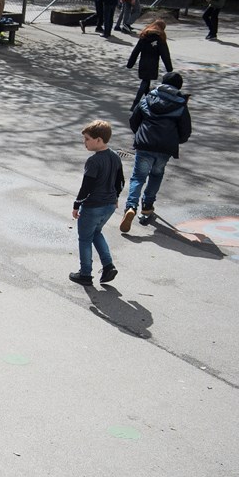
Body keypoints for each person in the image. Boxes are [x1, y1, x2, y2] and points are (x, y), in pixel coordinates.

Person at [120, 72, 191, 232]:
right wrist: (175, 140)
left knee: (138, 177)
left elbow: (134, 120)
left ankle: (130, 207)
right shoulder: (180, 104)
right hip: (165, 148)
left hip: (145, 144)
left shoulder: (148, 98)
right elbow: (185, 130)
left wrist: (140, 134)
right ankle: (147, 207)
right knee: (156, 175)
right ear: (178, 87)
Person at [69, 120, 124, 286]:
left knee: (85, 239)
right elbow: (120, 182)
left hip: (93, 206)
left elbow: (87, 186)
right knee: (96, 233)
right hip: (109, 205)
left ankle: (85, 273)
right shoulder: (115, 156)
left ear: (99, 140)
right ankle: (108, 266)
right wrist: (115, 198)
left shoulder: (93, 161)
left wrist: (77, 204)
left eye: (87, 139)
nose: (84, 142)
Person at [126, 19, 172, 110]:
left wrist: (130, 64)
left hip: (143, 63)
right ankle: (136, 102)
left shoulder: (144, 36)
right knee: (145, 82)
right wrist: (169, 68)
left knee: (146, 82)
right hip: (153, 64)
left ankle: (148, 101)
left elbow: (135, 51)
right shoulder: (160, 39)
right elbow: (165, 55)